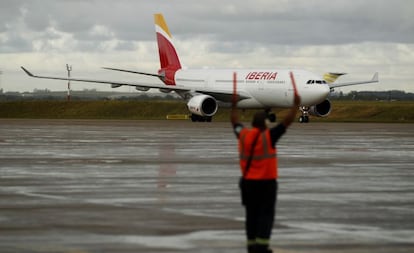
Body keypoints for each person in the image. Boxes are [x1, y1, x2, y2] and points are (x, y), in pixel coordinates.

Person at [231, 93, 301, 253]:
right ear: (265, 123)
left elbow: (234, 122)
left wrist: (234, 107)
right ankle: (262, 246)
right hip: (266, 184)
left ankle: (251, 245)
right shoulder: (269, 136)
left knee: (251, 215)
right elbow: (286, 122)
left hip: (248, 183)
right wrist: (295, 106)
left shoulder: (243, 135)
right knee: (266, 216)